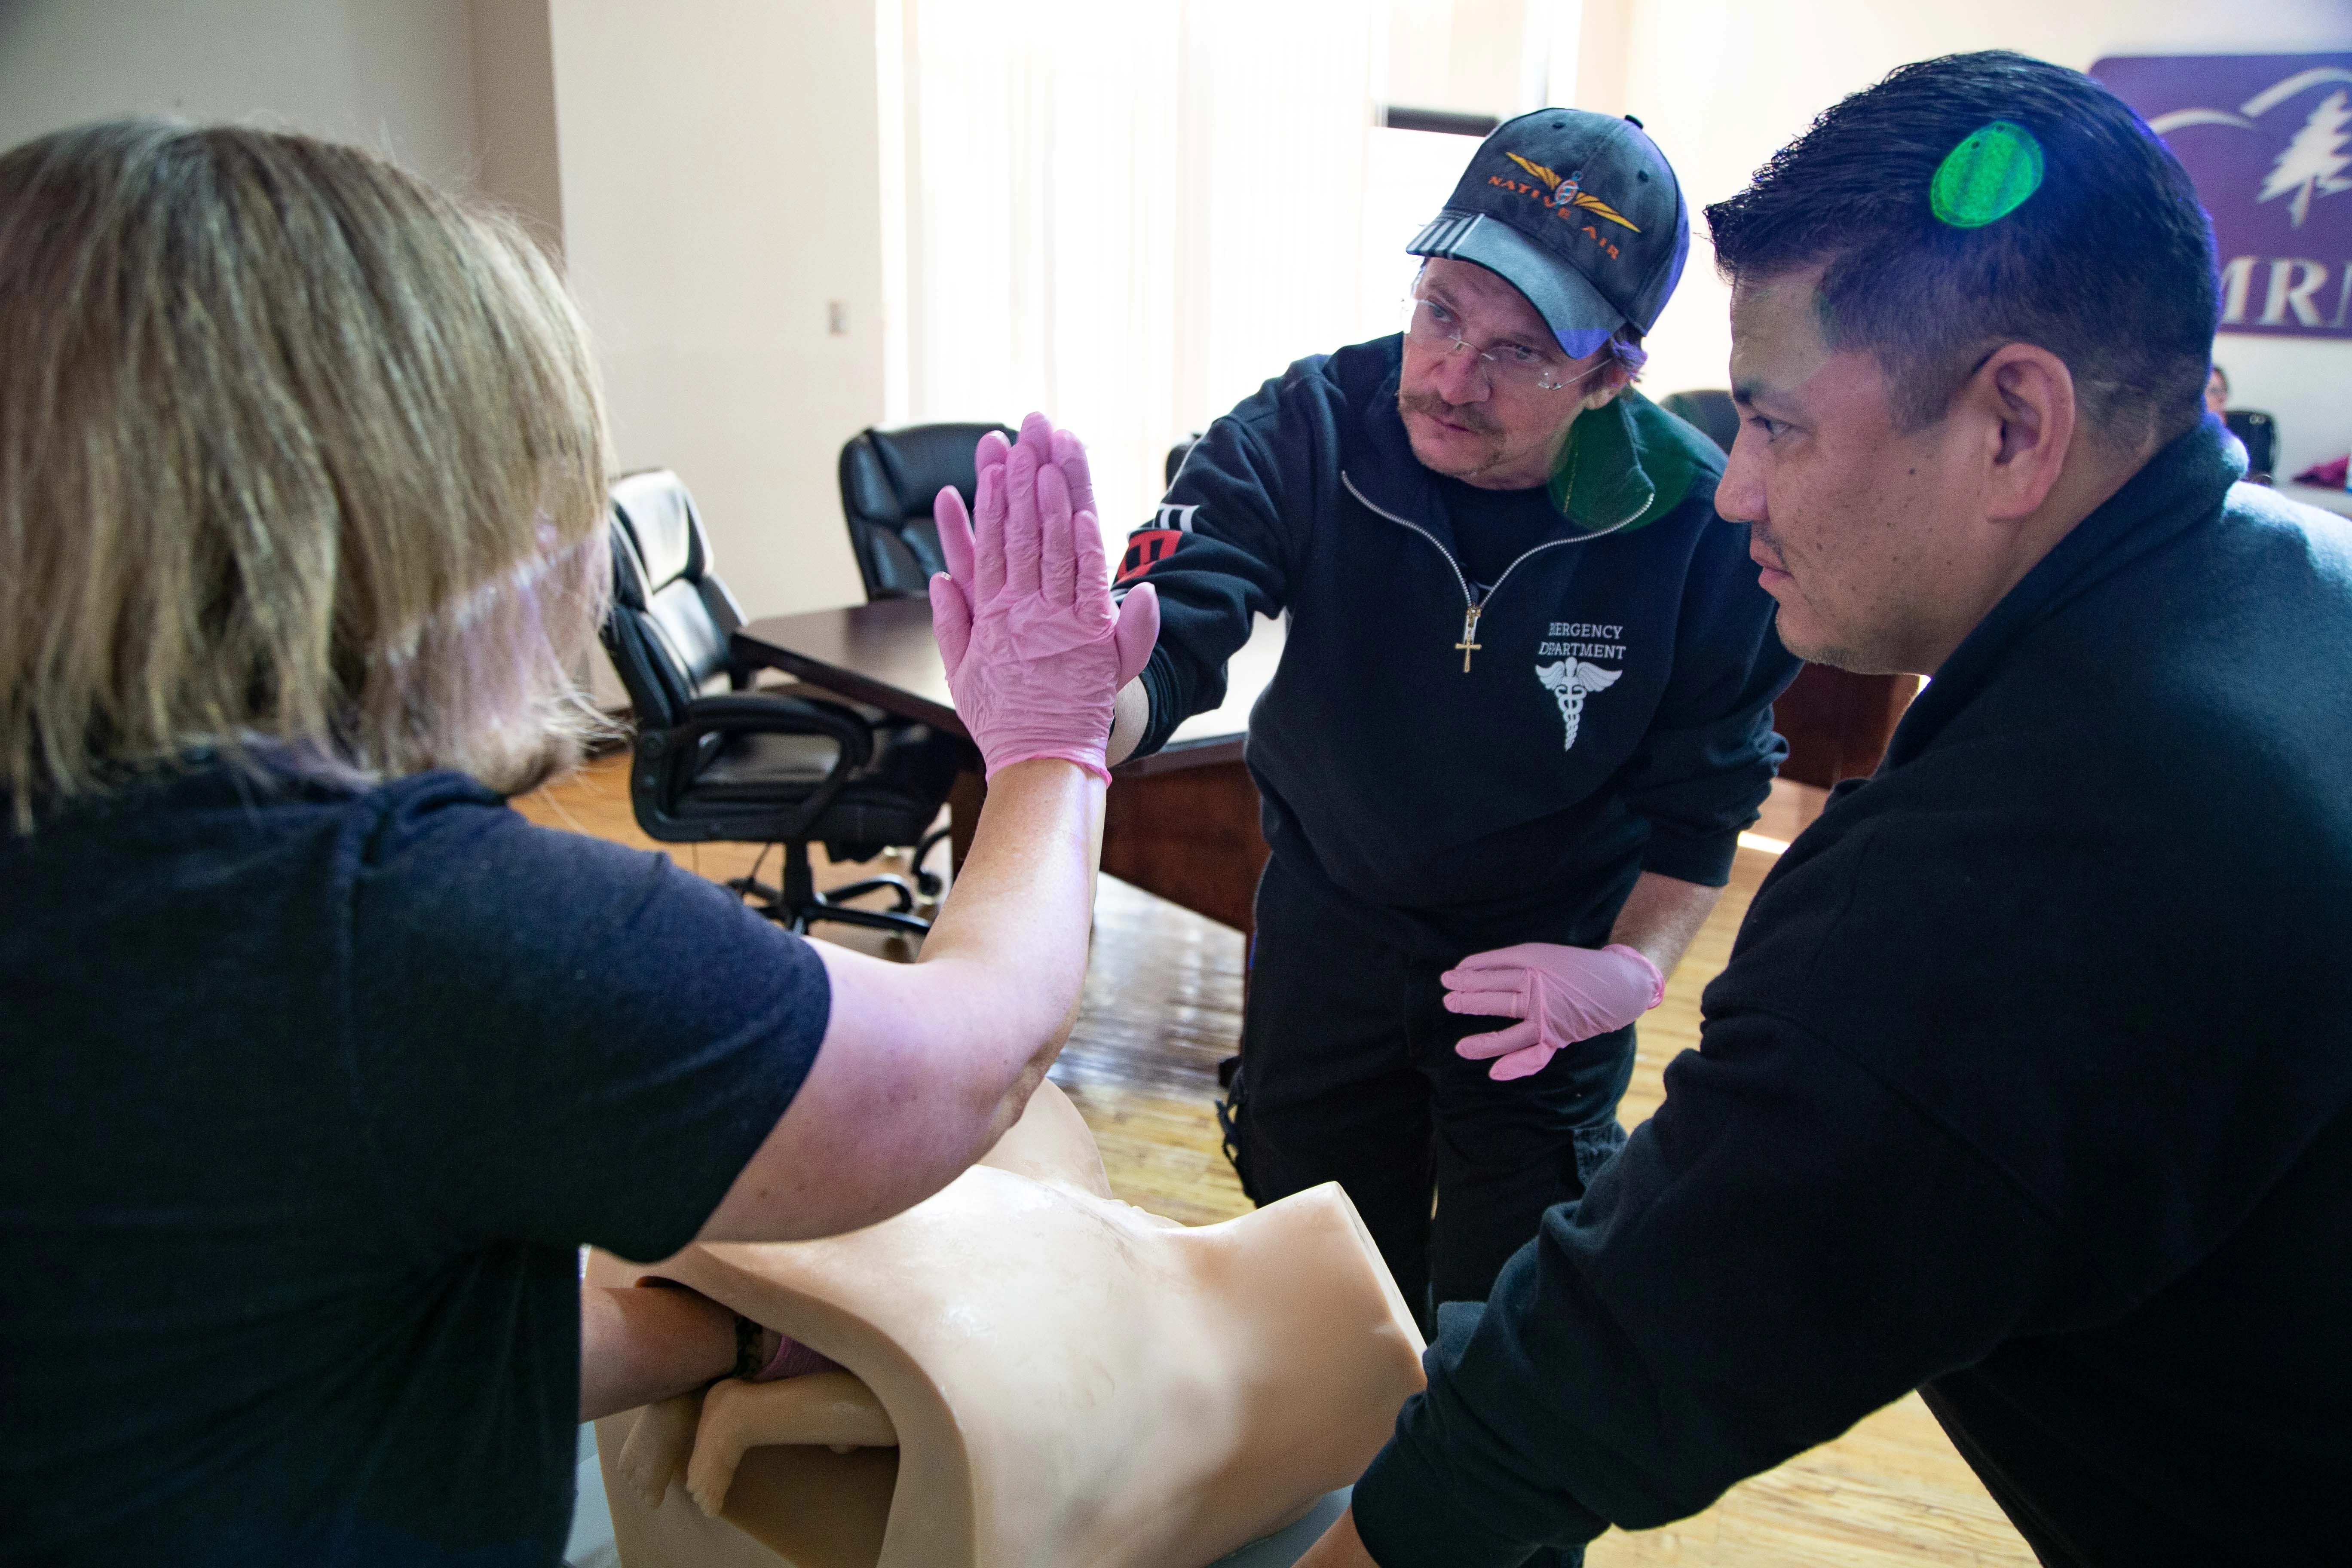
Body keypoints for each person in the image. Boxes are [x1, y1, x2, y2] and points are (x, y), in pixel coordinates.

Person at [0, 120, 1153, 1565]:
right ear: (395, 520)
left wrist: (707, 1335)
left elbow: (291, 1326)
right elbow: (965, 1067)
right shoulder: (404, 936)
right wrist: (1050, 744)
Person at [1294, 51, 2352, 1568]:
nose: (1734, 494)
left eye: (1775, 426)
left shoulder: (2022, 872)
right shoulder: (2297, 585)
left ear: (2012, 428)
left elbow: (1591, 1378)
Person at [1108, 109, 1799, 1324]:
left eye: (1519, 353)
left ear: (1610, 373)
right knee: (1306, 1306)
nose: (1450, 377)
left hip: (1541, 975)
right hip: (1332, 932)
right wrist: (1087, 700)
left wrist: (1627, 972)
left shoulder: (1695, 524)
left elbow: (1709, 803)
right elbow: (1178, 616)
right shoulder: (1319, 426)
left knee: (1516, 1339)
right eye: (1441, 313)